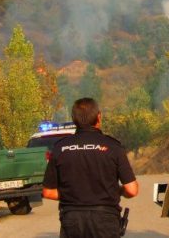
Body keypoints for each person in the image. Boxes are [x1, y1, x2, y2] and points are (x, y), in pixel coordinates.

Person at [42, 98, 139, 238]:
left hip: (72, 220)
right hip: (105, 220)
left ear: (74, 119)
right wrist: (118, 191)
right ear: (99, 117)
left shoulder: (60, 148)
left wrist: (72, 194)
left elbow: (48, 192)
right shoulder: (113, 147)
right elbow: (132, 190)